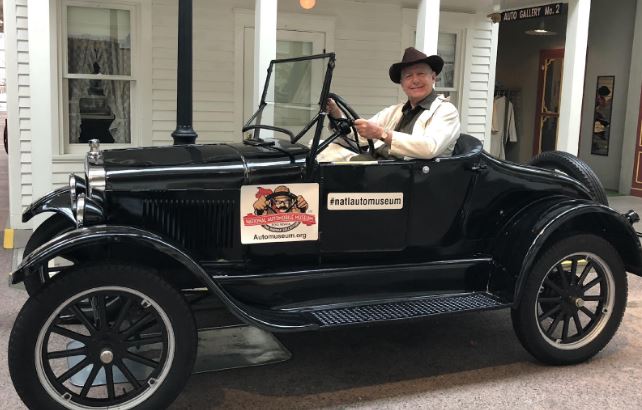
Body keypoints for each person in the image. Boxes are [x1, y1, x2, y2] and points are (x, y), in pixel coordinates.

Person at [319, 47, 461, 162]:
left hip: (411, 179)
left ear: (433, 77)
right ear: (402, 84)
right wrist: (336, 114)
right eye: (408, 76)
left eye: (421, 74)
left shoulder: (446, 111)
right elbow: (360, 137)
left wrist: (381, 133)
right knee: (319, 149)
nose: (415, 80)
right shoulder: (396, 111)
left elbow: (429, 148)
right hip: (381, 167)